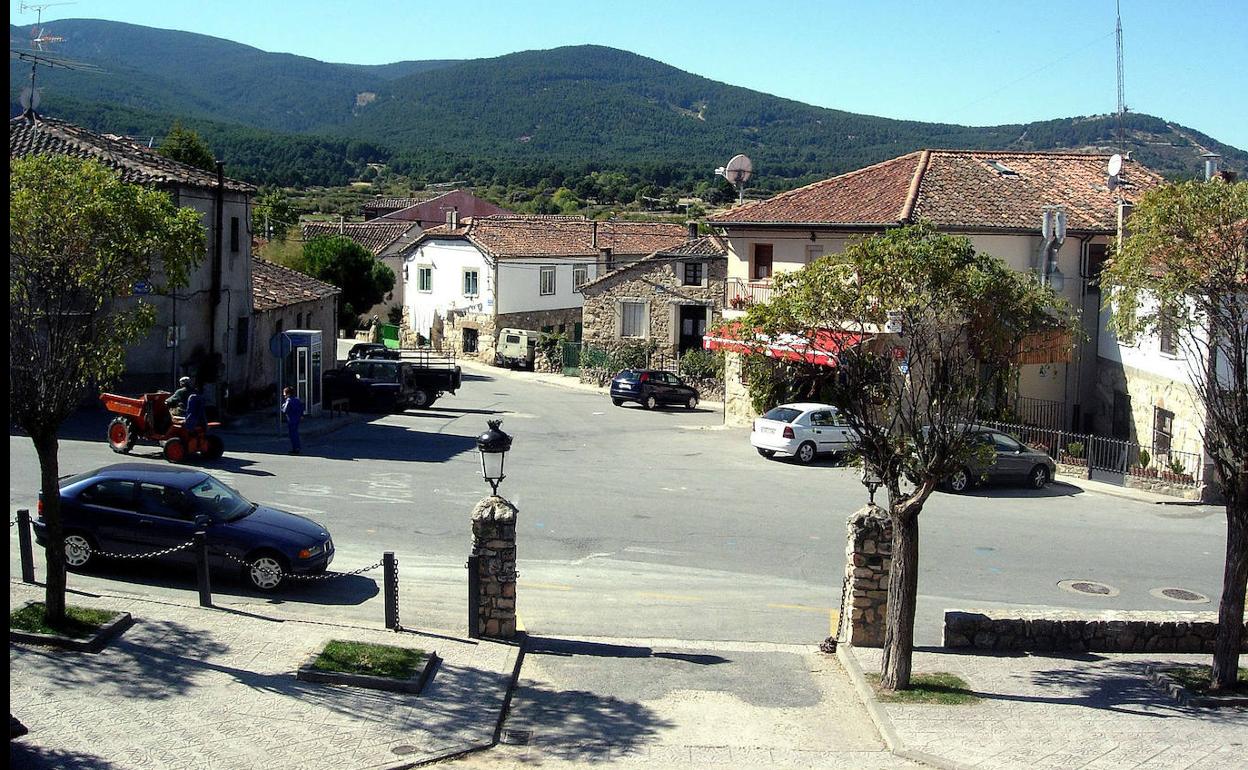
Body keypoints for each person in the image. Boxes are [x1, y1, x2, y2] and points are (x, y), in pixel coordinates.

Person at [281, 386, 304, 454]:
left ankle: (295, 448)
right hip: (297, 418)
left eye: (284, 394)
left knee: (292, 434)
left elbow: (285, 410)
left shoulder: (288, 401)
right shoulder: (297, 400)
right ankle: (297, 447)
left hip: (291, 419)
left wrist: (283, 406)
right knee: (295, 433)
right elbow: (301, 408)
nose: (284, 395)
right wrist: (301, 415)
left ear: (288, 394)